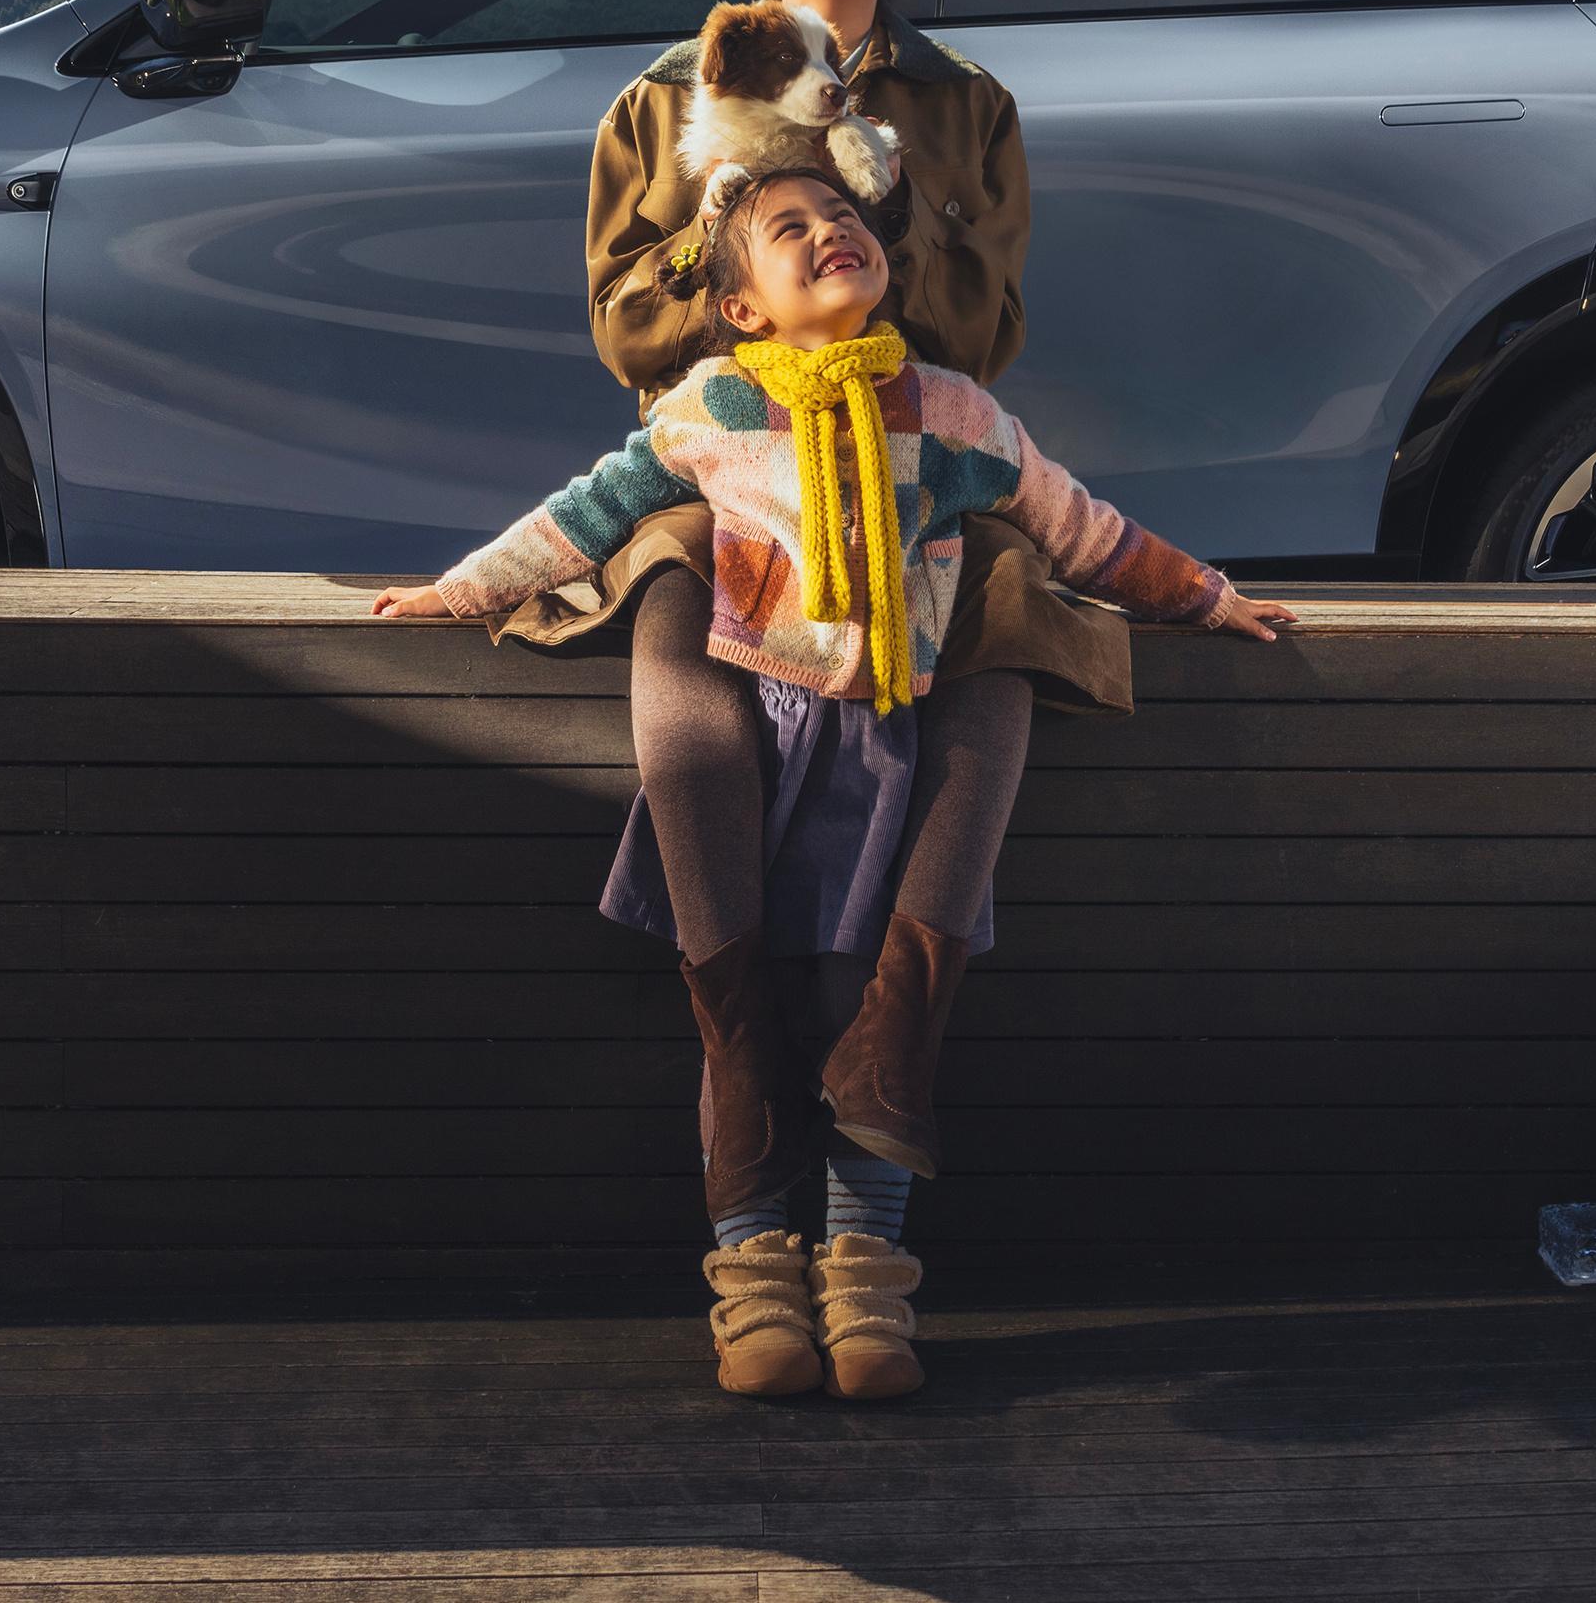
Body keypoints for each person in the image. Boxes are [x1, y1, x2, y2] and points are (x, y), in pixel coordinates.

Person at [374, 166, 1293, 1398]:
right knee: (742, 996)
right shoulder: (713, 406)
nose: (829, 234)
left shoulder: (950, 412)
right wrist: (459, 590)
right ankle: (752, 1273)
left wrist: (1205, 597)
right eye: (789, 230)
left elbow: (1077, 526)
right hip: (761, 724)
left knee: (871, 1005)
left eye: (843, 219)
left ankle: (868, 1279)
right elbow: (588, 511)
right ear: (741, 306)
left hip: (889, 737)